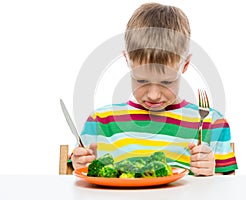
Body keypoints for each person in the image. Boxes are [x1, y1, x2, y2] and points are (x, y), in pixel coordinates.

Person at [71, 2, 237, 176]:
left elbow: (227, 186)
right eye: (141, 80)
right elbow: (77, 174)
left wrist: (211, 173)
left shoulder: (212, 123)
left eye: (166, 82)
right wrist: (80, 162)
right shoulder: (100, 122)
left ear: (185, 65)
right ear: (127, 60)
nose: (154, 95)